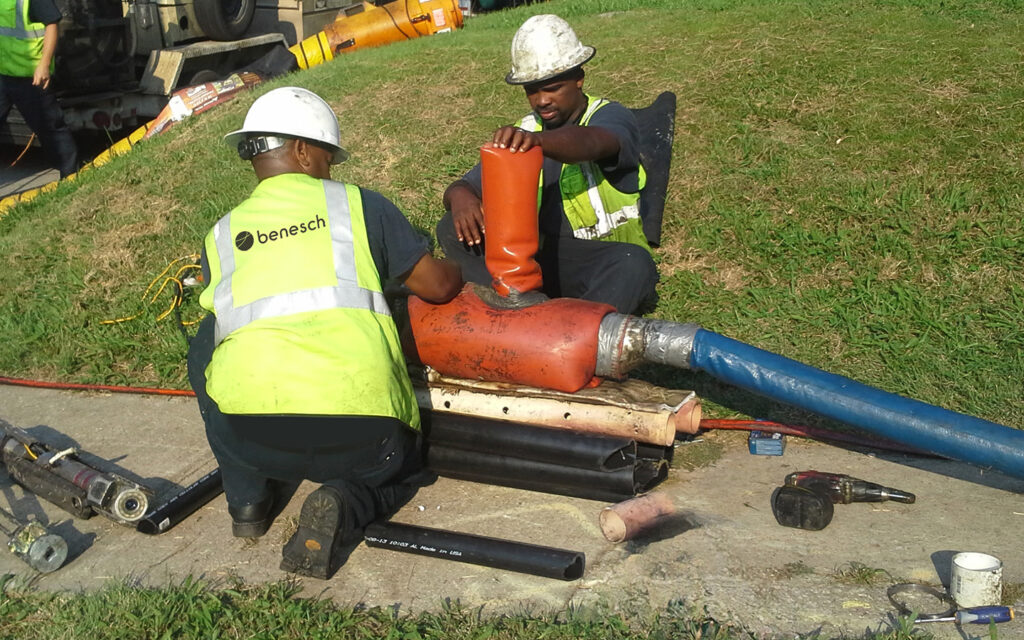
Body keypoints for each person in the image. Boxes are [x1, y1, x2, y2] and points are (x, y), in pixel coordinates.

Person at [186, 86, 463, 579]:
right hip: (358, 435)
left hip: (250, 437)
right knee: (404, 464)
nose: (331, 168)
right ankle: (345, 498)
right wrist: (460, 268)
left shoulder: (222, 235)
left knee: (208, 339)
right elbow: (435, 287)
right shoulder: (360, 206)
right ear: (301, 150)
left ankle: (247, 503)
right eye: (328, 156)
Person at [436, 14, 657, 315]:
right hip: (538, 259)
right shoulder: (526, 129)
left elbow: (593, 142)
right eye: (532, 90)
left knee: (635, 264)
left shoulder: (610, 117)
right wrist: (461, 198)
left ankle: (574, 331)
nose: (541, 100)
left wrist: (538, 142)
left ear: (579, 77)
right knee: (451, 227)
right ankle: (519, 309)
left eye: (552, 87)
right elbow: (465, 185)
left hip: (596, 258)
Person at [0, 0, 78, 177]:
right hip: (3, 73)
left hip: (30, 77)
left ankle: (71, 176)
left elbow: (52, 24)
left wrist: (44, 64)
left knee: (50, 128)